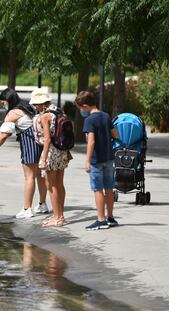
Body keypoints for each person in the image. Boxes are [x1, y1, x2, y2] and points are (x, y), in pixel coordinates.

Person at [0, 88, 48, 219]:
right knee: (40, 175)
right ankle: (42, 204)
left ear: (8, 100)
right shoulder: (28, 106)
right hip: (42, 144)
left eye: (3, 102)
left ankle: (27, 209)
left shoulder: (13, 113)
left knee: (29, 177)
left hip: (29, 145)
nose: (2, 105)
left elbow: (4, 135)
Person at [75, 91, 119, 230]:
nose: (81, 111)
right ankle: (110, 217)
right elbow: (115, 134)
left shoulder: (89, 120)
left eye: (81, 108)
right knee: (109, 188)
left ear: (86, 106)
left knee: (98, 189)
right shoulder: (105, 116)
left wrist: (87, 161)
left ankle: (101, 220)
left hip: (96, 160)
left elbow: (91, 142)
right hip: (109, 157)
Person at [30, 88, 72, 227]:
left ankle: (56, 217)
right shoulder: (60, 112)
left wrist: (43, 158)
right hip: (62, 152)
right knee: (60, 184)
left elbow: (47, 140)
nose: (35, 107)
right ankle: (61, 216)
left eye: (36, 105)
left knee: (51, 185)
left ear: (42, 104)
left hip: (52, 153)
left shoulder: (45, 116)